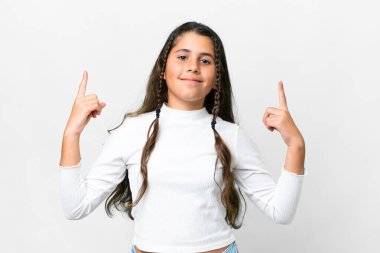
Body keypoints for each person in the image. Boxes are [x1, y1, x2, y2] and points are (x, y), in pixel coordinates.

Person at [59, 21, 306, 253]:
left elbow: (280, 212)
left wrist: (296, 145)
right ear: (163, 70)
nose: (193, 66)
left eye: (205, 60)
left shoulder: (232, 137)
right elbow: (75, 207)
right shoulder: (131, 132)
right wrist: (72, 133)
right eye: (182, 57)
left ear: (216, 79)